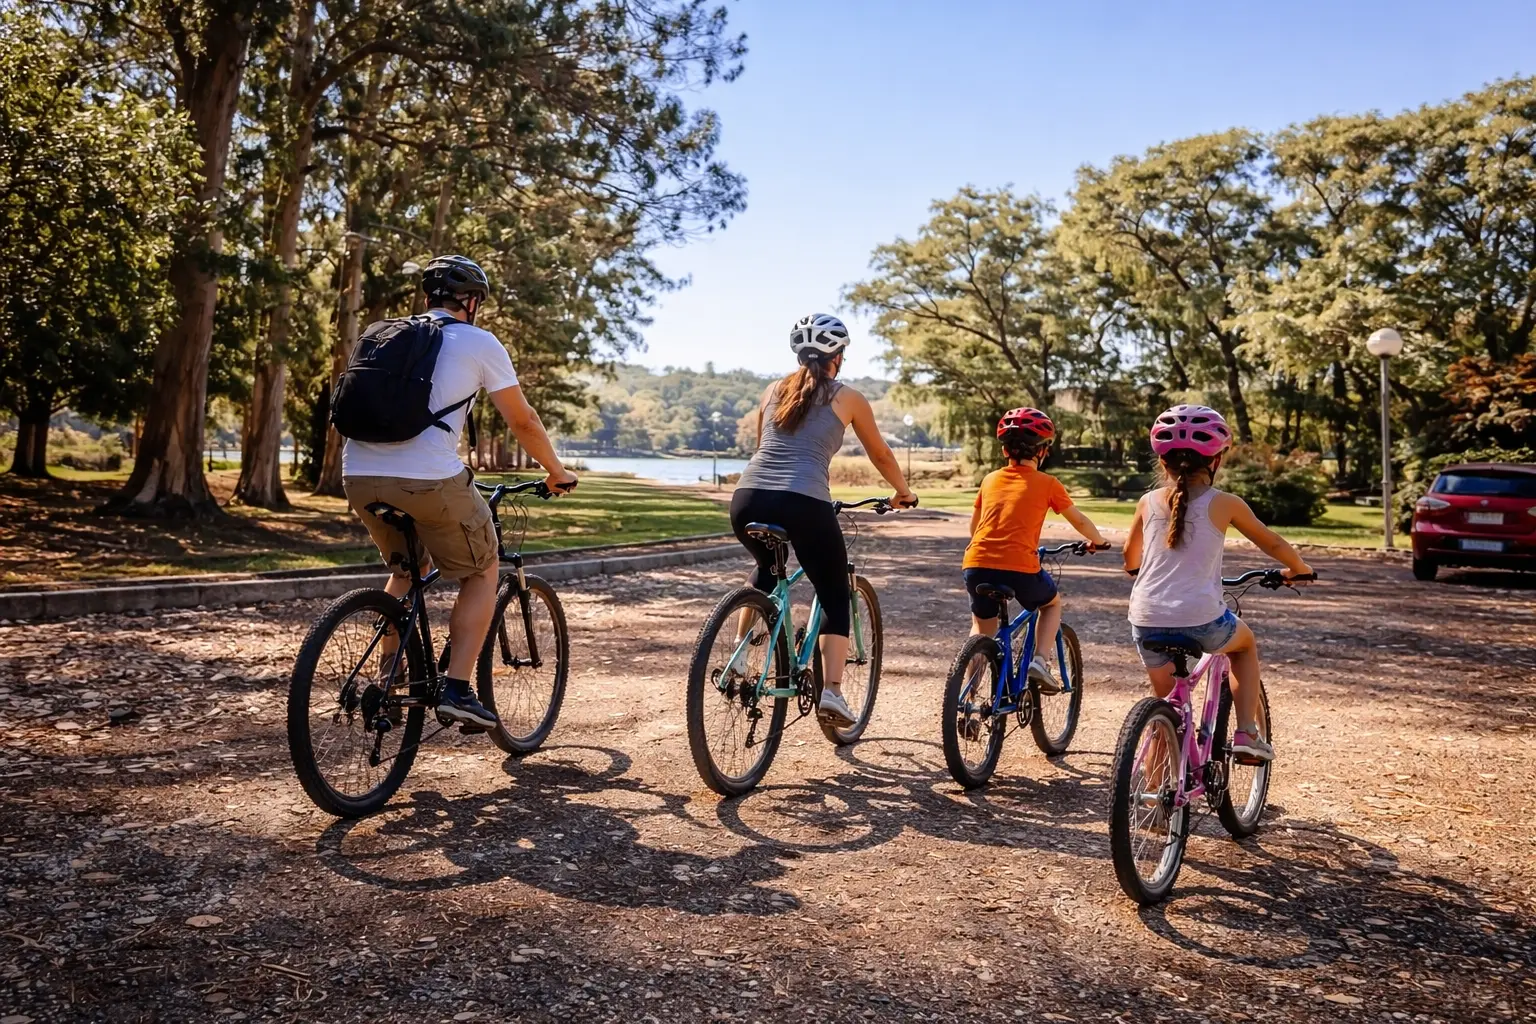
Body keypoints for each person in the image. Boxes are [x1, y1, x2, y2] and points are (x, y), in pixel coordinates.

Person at [341, 254, 578, 730]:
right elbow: (522, 420)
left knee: (409, 569)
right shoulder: (478, 341)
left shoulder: (383, 335)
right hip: (428, 476)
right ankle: (457, 689)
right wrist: (555, 470)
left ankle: (390, 677)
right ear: (470, 302)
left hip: (358, 473)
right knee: (483, 569)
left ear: (428, 298)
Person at [732, 313, 917, 725]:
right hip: (803, 501)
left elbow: (764, 446)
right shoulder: (847, 396)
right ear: (839, 355)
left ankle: (741, 658)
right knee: (833, 590)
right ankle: (832, 692)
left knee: (765, 568)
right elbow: (881, 454)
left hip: (746, 498)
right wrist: (904, 493)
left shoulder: (772, 389)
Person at [1122, 405, 1313, 763]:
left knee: (1168, 709)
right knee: (1243, 646)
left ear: (1162, 462)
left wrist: (1137, 572)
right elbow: (1270, 542)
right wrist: (1298, 568)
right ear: (1217, 460)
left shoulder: (1147, 501)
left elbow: (1129, 558)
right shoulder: (1224, 503)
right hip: (1201, 618)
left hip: (1145, 618)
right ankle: (1247, 733)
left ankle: (1153, 801)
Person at [962, 408, 1109, 691]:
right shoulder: (1048, 484)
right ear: (1042, 452)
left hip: (976, 562)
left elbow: (974, 527)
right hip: (1020, 567)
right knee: (1051, 604)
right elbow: (1078, 519)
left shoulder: (990, 480)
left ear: (1005, 450)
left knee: (983, 628)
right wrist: (1099, 541)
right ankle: (1040, 661)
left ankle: (967, 694)